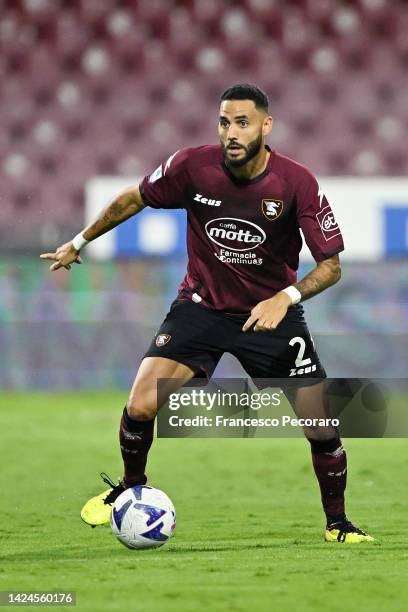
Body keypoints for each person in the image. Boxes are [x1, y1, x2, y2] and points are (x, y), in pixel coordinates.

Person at [41, 83, 373, 543]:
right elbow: (134, 197)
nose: (231, 133)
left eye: (242, 122)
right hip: (202, 308)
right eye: (224, 122)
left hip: (270, 314)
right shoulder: (191, 167)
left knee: (321, 425)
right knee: (140, 403)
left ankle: (338, 524)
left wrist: (286, 298)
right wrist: (79, 242)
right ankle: (132, 489)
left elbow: (332, 266)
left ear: (265, 126)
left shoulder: (296, 182)